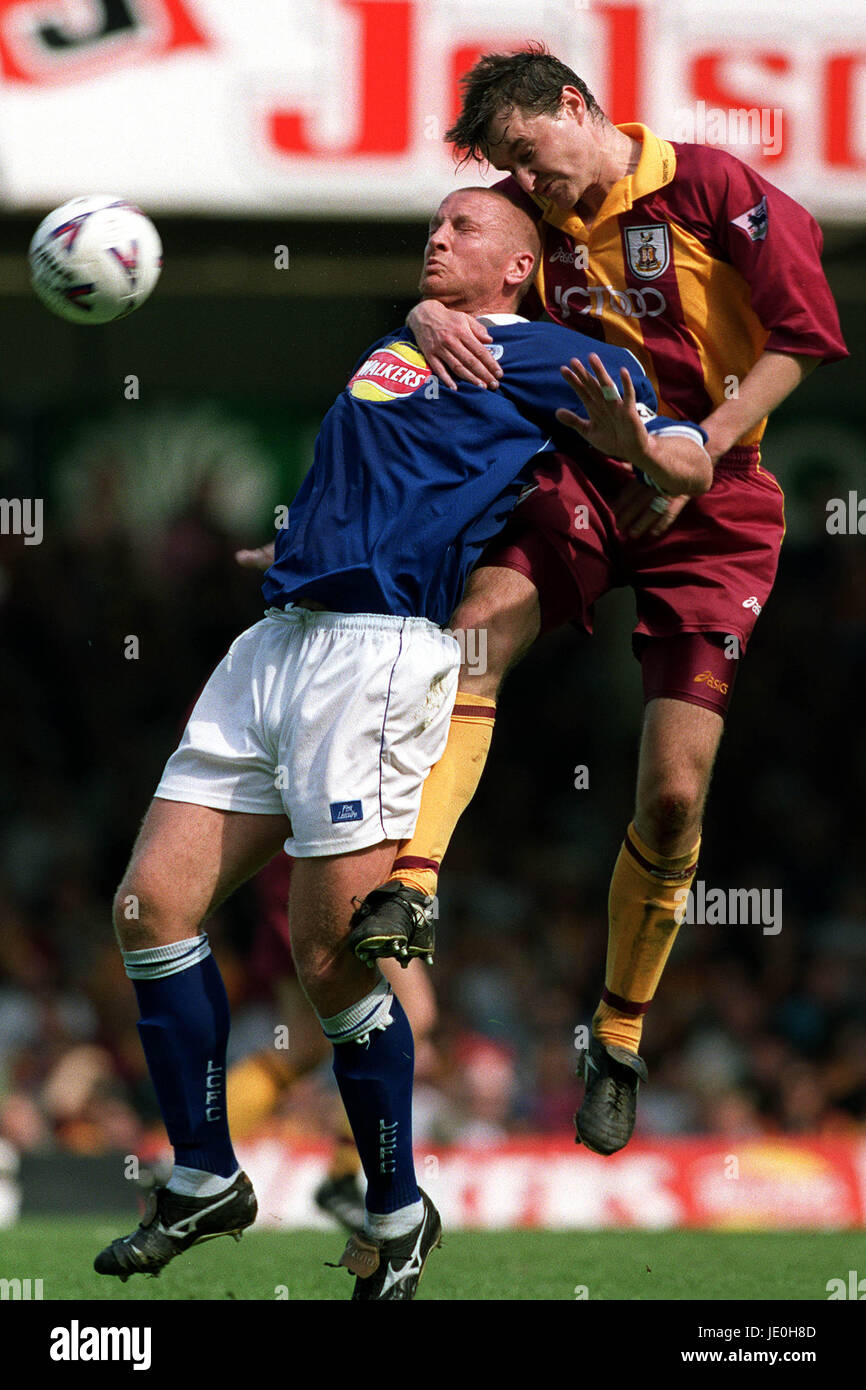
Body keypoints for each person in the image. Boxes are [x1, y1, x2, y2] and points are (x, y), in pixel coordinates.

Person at [92, 184, 710, 1300]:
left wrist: (638, 445)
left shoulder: (558, 357)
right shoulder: (408, 332)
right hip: (277, 637)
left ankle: (393, 1205)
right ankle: (202, 1172)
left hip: (375, 661)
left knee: (332, 962)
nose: (437, 237)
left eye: (462, 227)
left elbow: (685, 462)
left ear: (519, 266)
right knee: (149, 905)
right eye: (433, 224)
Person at [352, 47, 848, 1160]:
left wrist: (695, 450)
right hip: (585, 471)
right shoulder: (538, 210)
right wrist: (423, 317)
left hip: (719, 492)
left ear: (576, 108)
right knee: (476, 630)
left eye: (532, 158)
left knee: (673, 794)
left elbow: (804, 336)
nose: (532, 188)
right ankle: (415, 886)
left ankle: (615, 1032)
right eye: (511, 174)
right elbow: (463, 270)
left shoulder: (713, 188)